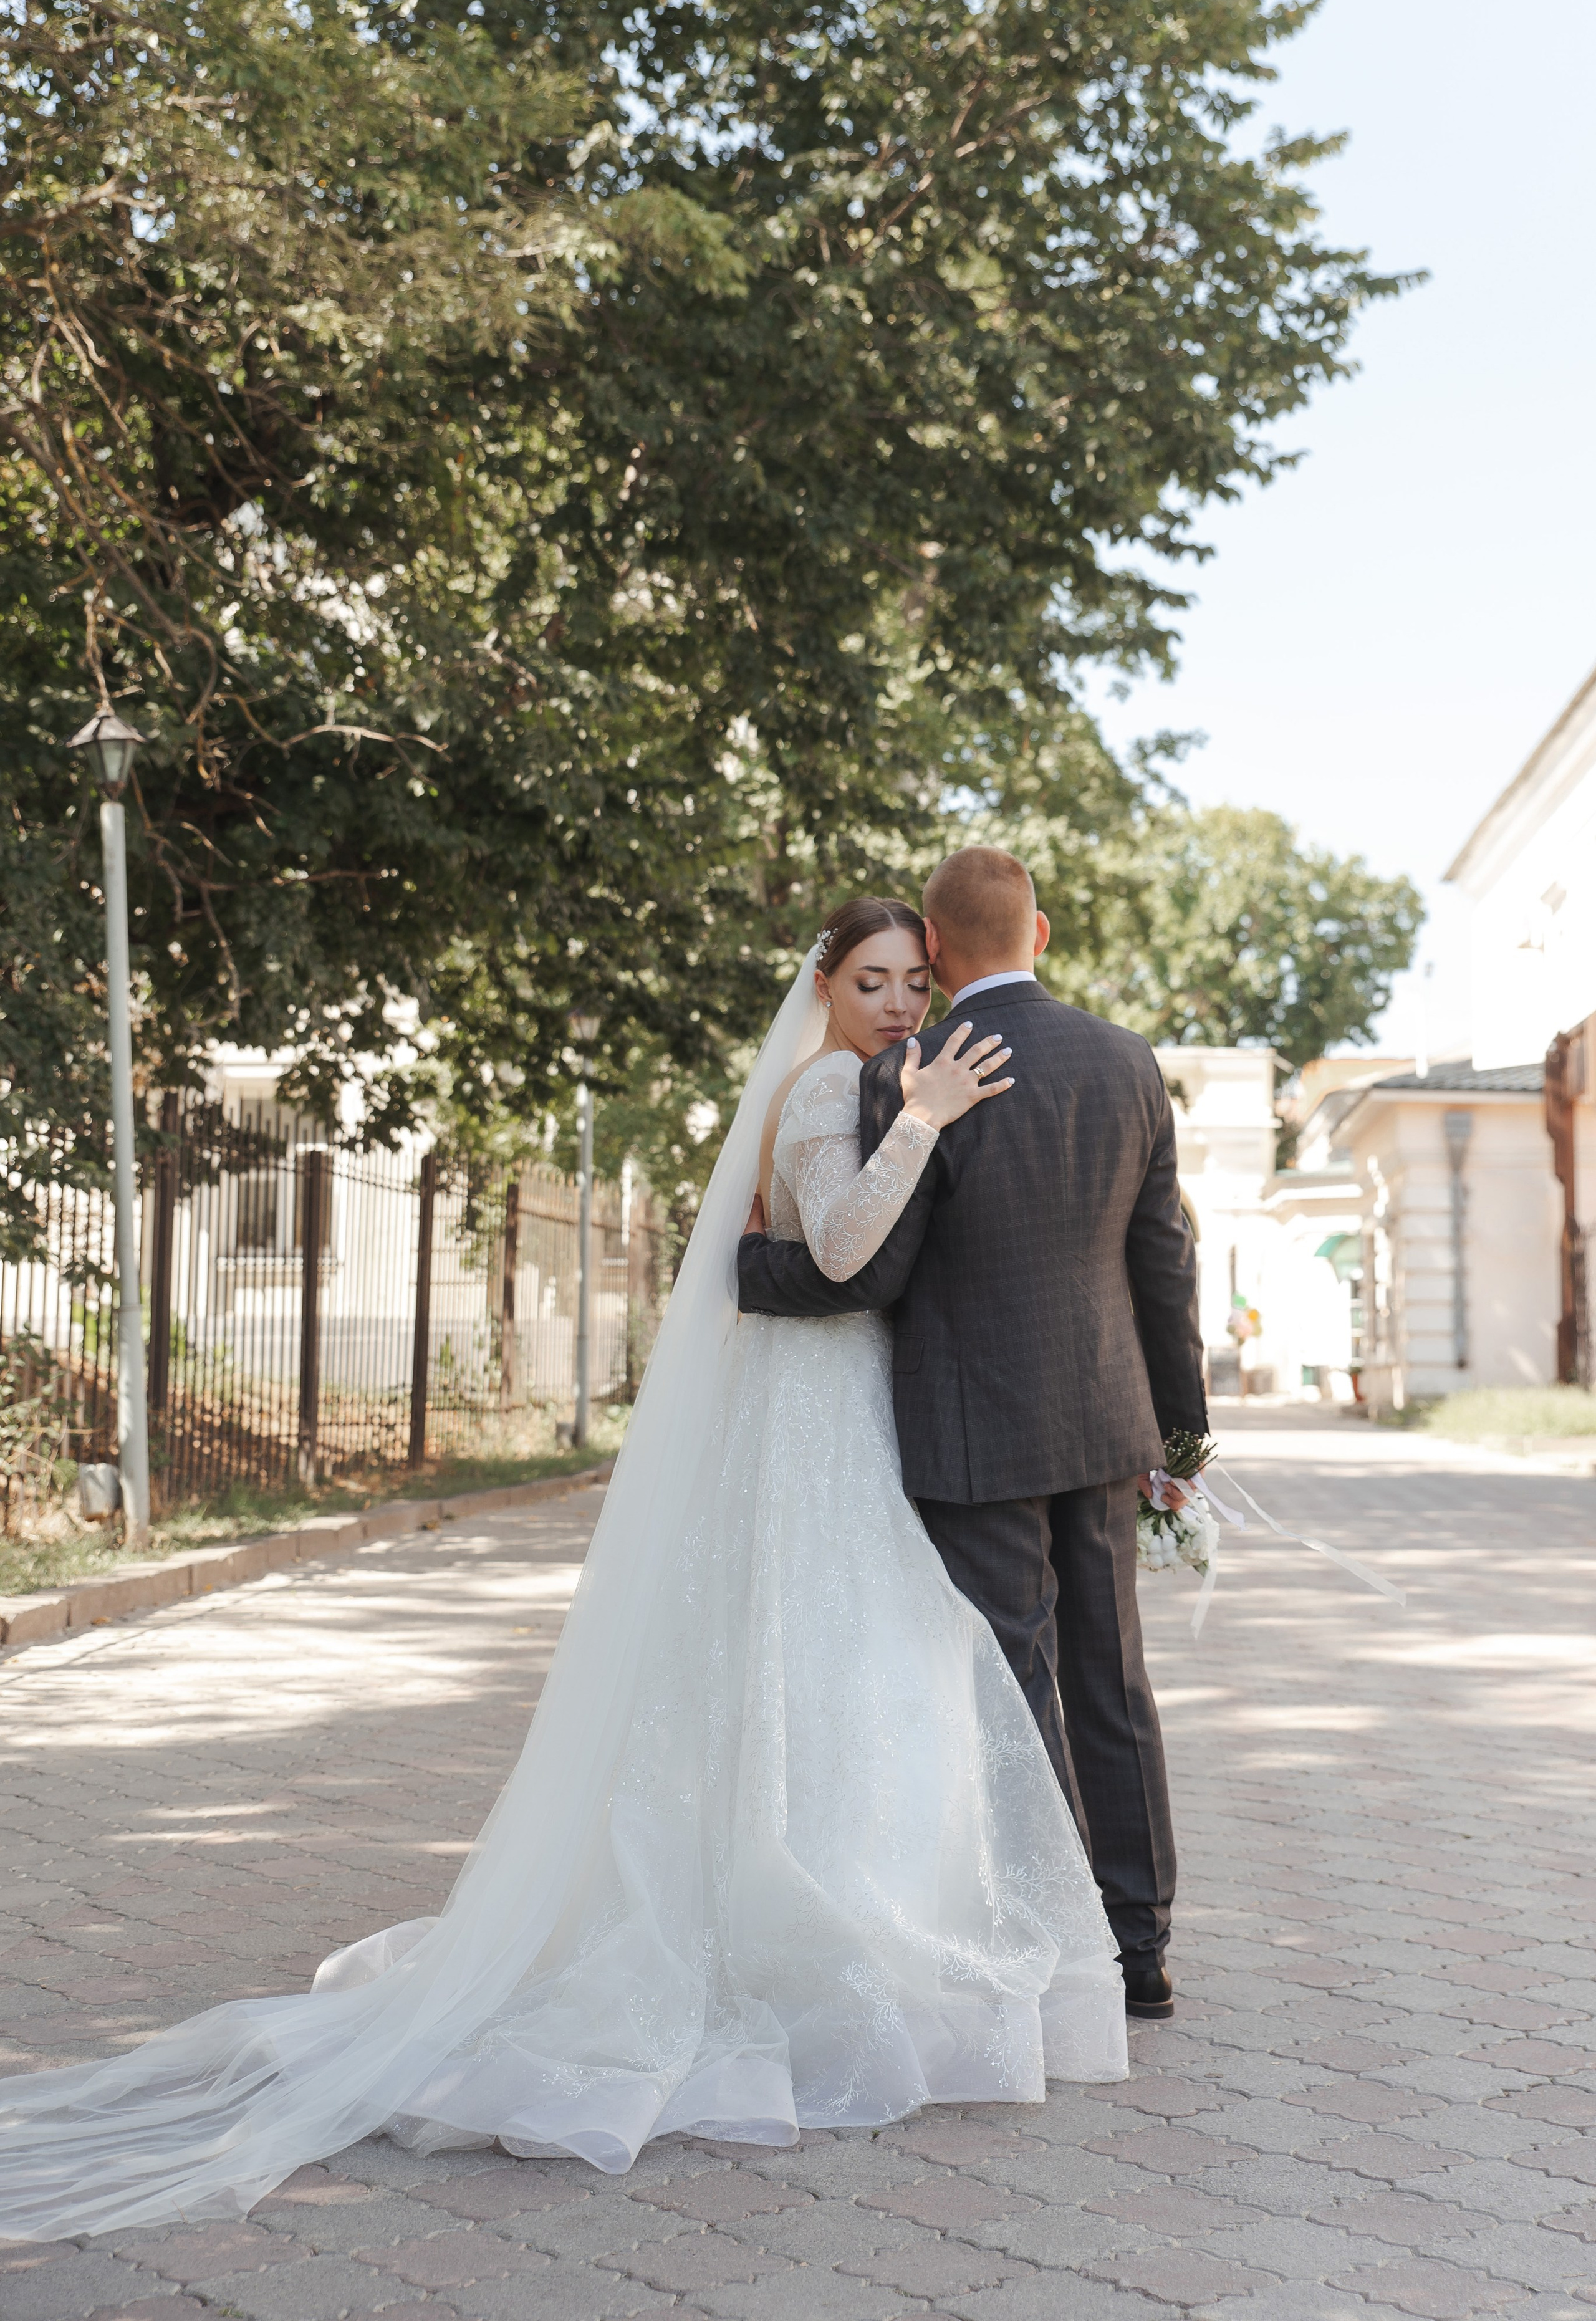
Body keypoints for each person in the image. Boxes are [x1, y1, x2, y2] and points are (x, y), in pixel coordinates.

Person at [0, 895, 1127, 2244]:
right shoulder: (839, 1084)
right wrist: (924, 1118)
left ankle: (847, 1908)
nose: (895, 1003)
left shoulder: (856, 1072)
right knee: (843, 1656)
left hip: (835, 1408)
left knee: (843, 1661)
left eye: (909, 979)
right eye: (870, 979)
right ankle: (817, 1937)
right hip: (818, 1416)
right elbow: (836, 1248)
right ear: (822, 984)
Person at [738, 848, 1208, 2019]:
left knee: (1011, 1685)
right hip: (1104, 1424)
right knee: (1115, 1682)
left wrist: (746, 1271)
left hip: (968, 1429)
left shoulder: (909, 1071)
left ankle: (1053, 1945)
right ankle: (1141, 1947)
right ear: (1037, 935)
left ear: (936, 955)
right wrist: (1181, 1435)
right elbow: (1164, 1256)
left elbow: (870, 1273)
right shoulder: (1128, 1060)